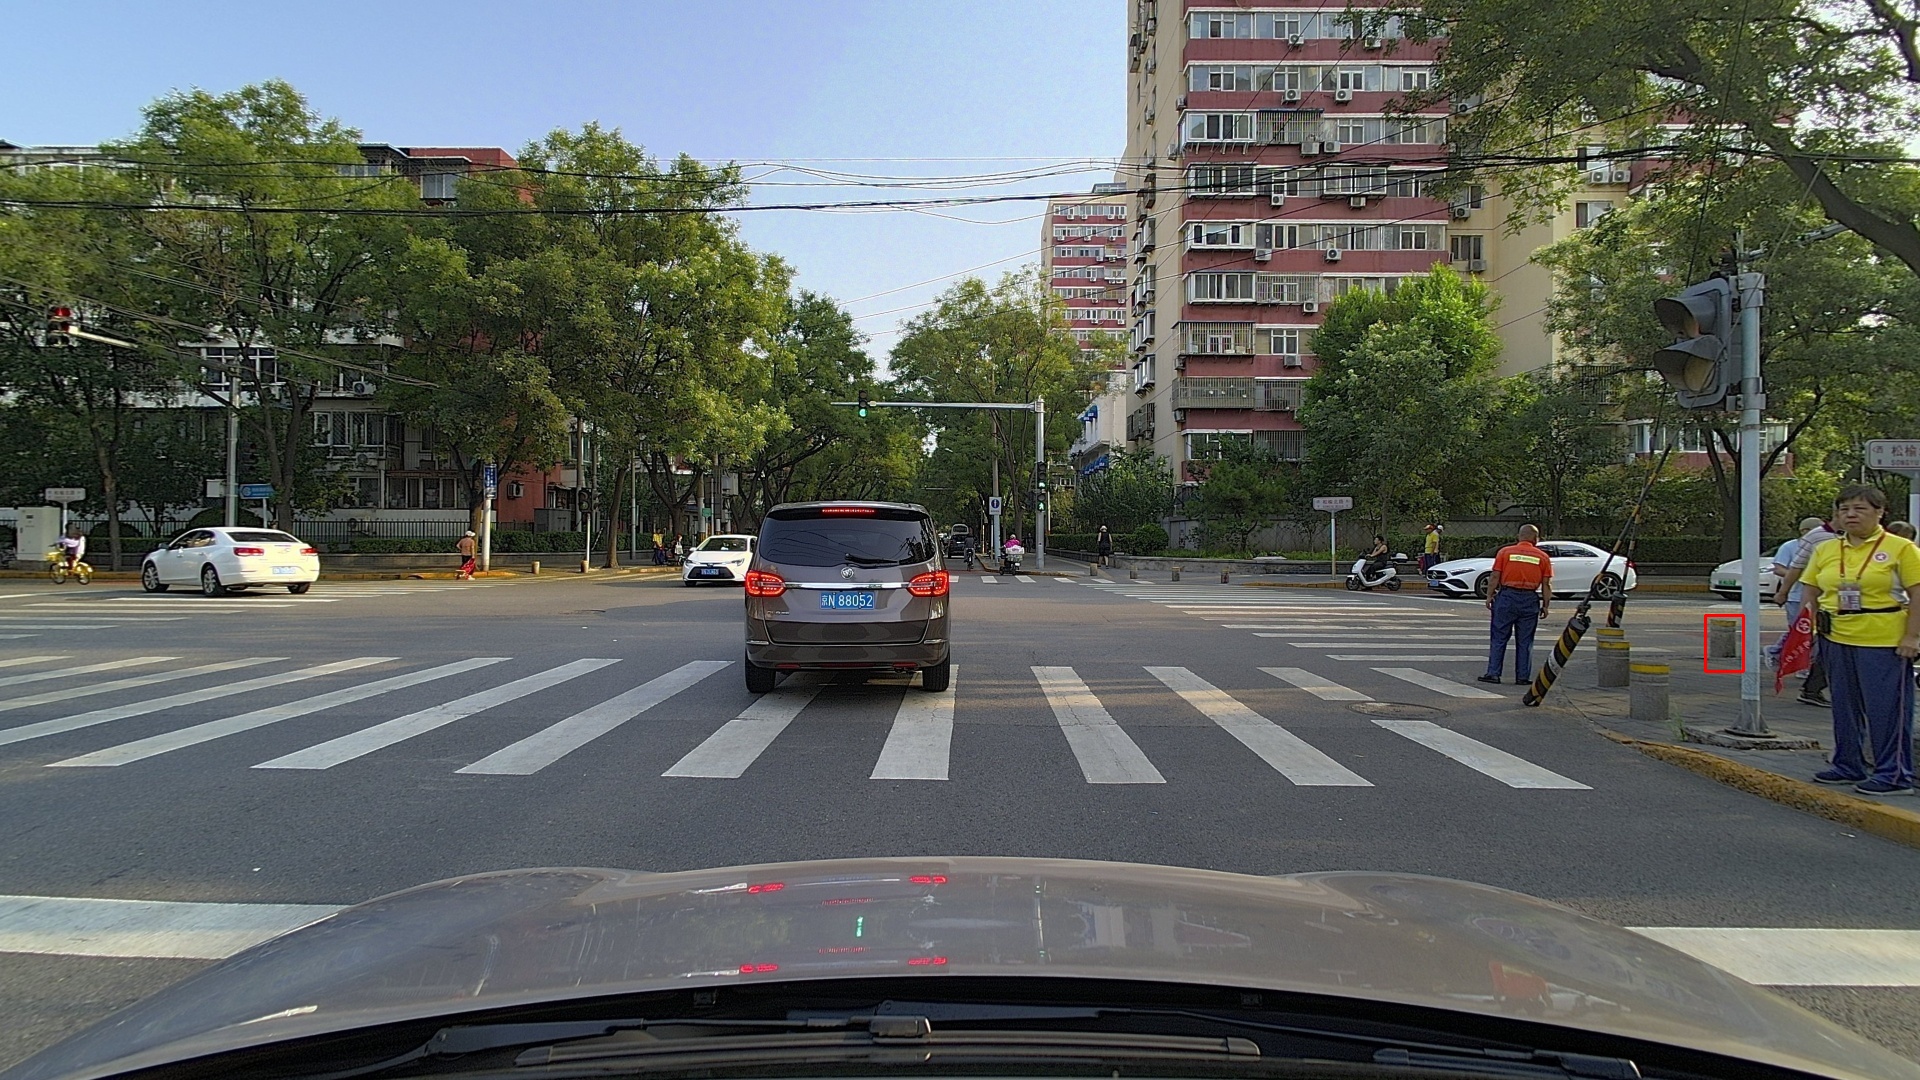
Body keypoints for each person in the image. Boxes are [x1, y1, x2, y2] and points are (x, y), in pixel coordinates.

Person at [1798, 485, 1920, 795]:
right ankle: (1848, 764)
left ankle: (1894, 774)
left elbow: (1917, 593)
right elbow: (1811, 589)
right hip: (1836, 636)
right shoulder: (1827, 549)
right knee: (1844, 706)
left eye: (1860, 509)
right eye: (1844, 509)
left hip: (1883, 640)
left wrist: (1912, 636)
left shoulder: (1901, 548)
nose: (1850, 515)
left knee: (1886, 710)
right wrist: (1805, 630)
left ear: (1880, 512)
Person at [1775, 515, 1841, 706]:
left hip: (1850, 606)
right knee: (1809, 638)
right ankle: (1785, 659)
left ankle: (1811, 683)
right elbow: (1795, 571)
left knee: (1825, 646)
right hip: (1812, 601)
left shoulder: (1862, 540)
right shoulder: (1813, 540)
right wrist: (1784, 592)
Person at [1479, 524, 1553, 686]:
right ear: (1536, 539)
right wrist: (1546, 605)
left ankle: (1493, 674)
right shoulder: (1543, 557)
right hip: (1529, 599)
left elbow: (1495, 576)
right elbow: (1546, 584)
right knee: (1525, 641)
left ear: (1519, 536)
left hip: (1507, 597)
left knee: (1499, 637)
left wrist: (1489, 596)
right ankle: (1522, 677)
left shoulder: (1505, 552)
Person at [1764, 517, 1823, 671]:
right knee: (1800, 631)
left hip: (1821, 597)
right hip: (1796, 596)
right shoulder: (1790, 547)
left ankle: (1807, 664)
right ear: (1804, 531)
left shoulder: (1826, 546)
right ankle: (1779, 654)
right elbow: (1778, 568)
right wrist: (1799, 575)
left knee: (1816, 632)